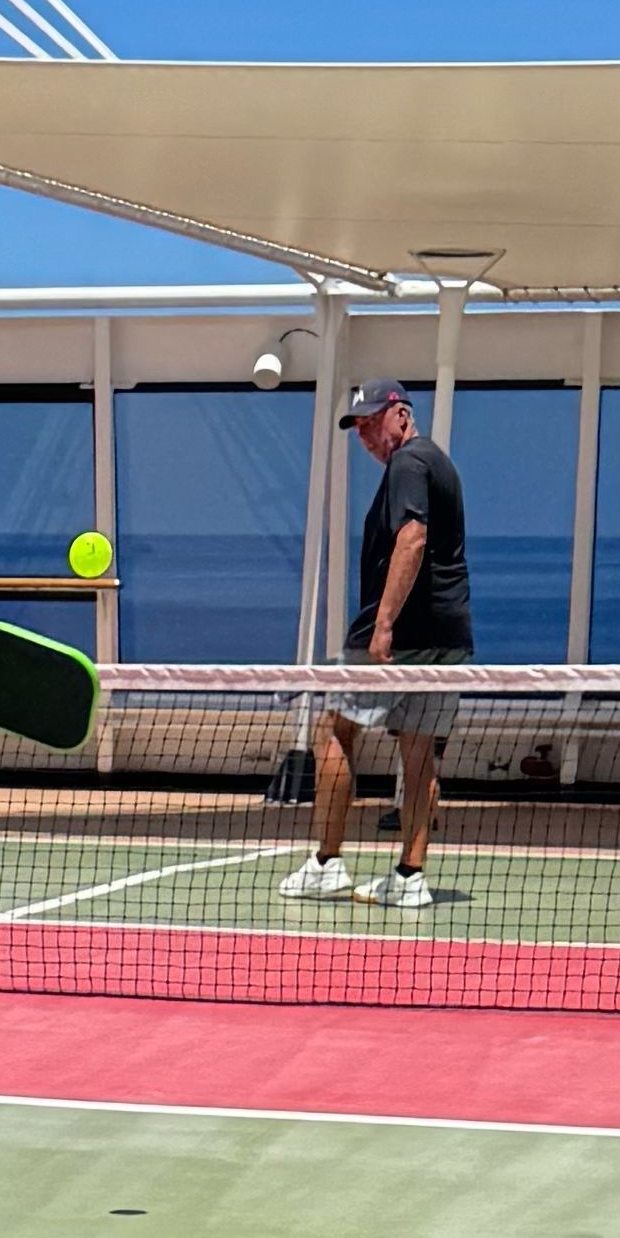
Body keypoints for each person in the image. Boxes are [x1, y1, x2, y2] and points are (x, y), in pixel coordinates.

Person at [278, 379, 473, 910]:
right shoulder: (439, 464)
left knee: (334, 730)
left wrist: (383, 625)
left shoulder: (408, 463)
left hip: (399, 636)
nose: (365, 436)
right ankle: (410, 876)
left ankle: (326, 864)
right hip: (449, 634)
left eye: (371, 423)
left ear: (401, 415)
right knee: (419, 751)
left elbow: (413, 537)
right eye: (358, 428)